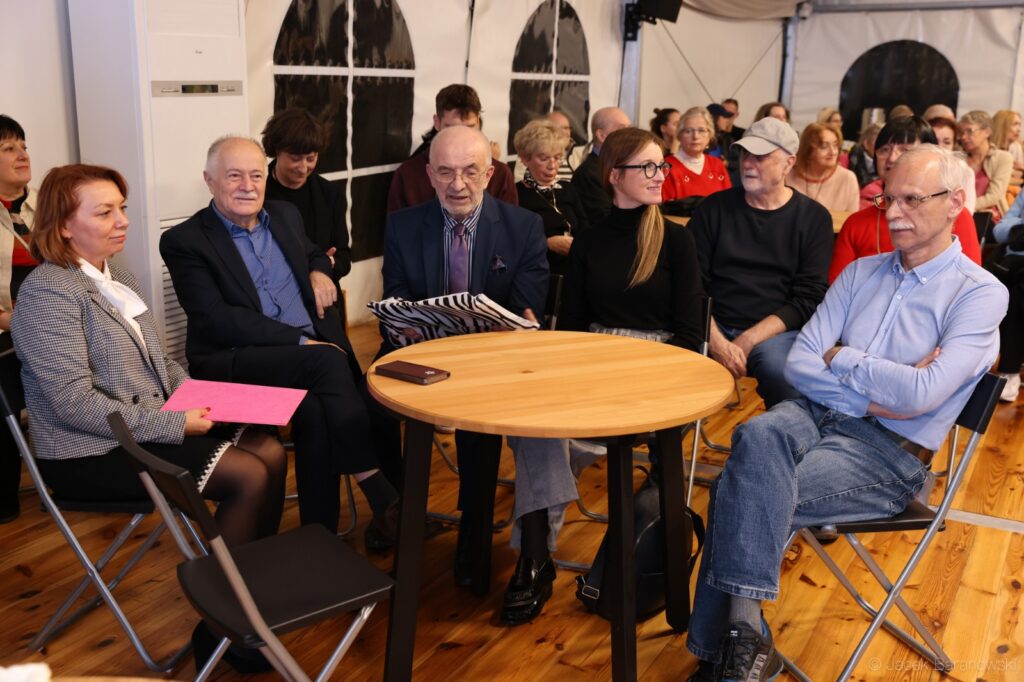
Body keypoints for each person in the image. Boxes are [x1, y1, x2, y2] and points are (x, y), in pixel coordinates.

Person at [685, 145, 1007, 682]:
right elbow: (800, 362)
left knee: (737, 487)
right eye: (887, 199)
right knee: (757, 436)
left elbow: (922, 394)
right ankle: (744, 641)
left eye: (911, 200)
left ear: (955, 203)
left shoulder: (979, 294)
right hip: (815, 412)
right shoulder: (861, 272)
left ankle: (726, 652)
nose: (893, 213)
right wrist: (877, 387)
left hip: (888, 453)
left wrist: (844, 358)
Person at [10, 163, 286, 546]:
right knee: (248, 474)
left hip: (141, 423)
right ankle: (231, 583)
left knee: (271, 451)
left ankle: (257, 569)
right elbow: (74, 404)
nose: (123, 220)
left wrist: (203, 398)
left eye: (122, 208)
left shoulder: (117, 275)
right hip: (87, 452)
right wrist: (174, 423)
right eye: (105, 212)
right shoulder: (48, 292)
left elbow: (161, 361)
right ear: (63, 226)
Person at [160, 136, 399, 543]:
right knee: (328, 362)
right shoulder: (185, 241)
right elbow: (216, 320)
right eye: (234, 176)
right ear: (209, 180)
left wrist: (319, 271)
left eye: (255, 176)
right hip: (237, 360)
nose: (247, 186)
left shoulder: (285, 215)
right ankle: (376, 487)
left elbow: (316, 253)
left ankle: (319, 537)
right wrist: (301, 344)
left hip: (309, 362)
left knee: (316, 411)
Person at [381, 126, 574, 624]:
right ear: (429, 174)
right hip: (427, 357)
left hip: (500, 363)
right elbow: (396, 296)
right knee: (362, 402)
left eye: (470, 171)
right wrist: (402, 323)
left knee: (535, 424)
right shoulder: (403, 226)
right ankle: (403, 519)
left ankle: (534, 554)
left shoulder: (522, 226)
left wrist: (513, 327)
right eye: (445, 172)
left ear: (490, 174)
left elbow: (526, 309)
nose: (458, 184)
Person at [689, 117, 833, 410]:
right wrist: (716, 341)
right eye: (745, 154)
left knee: (784, 374)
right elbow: (690, 283)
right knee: (669, 364)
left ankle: (785, 437)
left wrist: (748, 339)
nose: (748, 163)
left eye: (760, 156)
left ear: (789, 163)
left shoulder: (813, 218)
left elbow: (808, 298)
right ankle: (665, 440)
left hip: (775, 333)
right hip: (711, 323)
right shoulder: (713, 209)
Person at [562, 126, 702, 350]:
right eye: (648, 167)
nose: (660, 177)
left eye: (661, 166)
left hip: (661, 356)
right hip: (596, 353)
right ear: (615, 175)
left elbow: (690, 334)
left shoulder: (677, 240)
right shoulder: (587, 242)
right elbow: (570, 324)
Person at [831, 117, 982, 282]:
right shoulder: (856, 224)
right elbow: (838, 286)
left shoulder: (952, 214)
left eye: (905, 150)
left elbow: (969, 281)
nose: (892, 158)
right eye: (884, 149)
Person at [387, 83, 517, 213]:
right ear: (437, 122)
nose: (461, 137)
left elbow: (510, 223)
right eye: (452, 128)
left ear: (478, 122)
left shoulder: (500, 175)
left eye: (469, 127)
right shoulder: (407, 175)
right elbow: (399, 224)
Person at [261, 108, 352, 282]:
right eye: (295, 159)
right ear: (277, 151)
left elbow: (344, 257)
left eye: (311, 158)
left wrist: (329, 263)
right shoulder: (259, 195)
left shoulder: (329, 194)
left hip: (323, 291)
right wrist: (313, 265)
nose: (303, 168)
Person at [0, 114, 36, 523]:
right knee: (4, 390)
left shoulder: (48, 202)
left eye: (23, 146)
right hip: (5, 329)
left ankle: (77, 474)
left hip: (53, 322)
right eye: (8, 148)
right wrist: (7, 320)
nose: (22, 154)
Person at [513, 118, 589, 277]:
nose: (552, 165)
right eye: (544, 158)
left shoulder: (568, 188)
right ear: (525, 159)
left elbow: (585, 229)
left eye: (557, 157)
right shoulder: (517, 194)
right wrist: (547, 243)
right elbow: (512, 241)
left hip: (574, 271)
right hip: (537, 274)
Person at [988, 188, 1024, 401]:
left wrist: (1017, 227)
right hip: (1011, 264)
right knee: (990, 287)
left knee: (1019, 289)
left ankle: (1009, 371)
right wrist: (1019, 228)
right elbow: (999, 230)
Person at [572, 106, 631, 226]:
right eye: (622, 129)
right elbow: (605, 219)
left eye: (629, 129)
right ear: (602, 136)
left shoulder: (623, 166)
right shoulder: (588, 174)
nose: (629, 135)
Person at [662, 106, 731, 202]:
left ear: (710, 135)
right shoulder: (667, 167)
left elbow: (728, 203)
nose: (695, 136)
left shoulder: (717, 165)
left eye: (701, 130)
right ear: (679, 135)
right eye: (688, 131)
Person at [787, 123, 859, 212]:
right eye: (824, 146)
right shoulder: (788, 175)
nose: (833, 152)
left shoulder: (848, 178)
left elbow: (852, 218)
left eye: (835, 145)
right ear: (808, 150)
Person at [958, 110, 1013, 219]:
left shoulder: (1003, 158)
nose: (963, 137)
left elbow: (994, 196)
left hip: (990, 216)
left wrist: (966, 207)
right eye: (962, 132)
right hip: (961, 213)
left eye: (969, 131)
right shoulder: (958, 159)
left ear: (987, 132)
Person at [991, 109, 1024, 183]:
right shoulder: (988, 148)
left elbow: (1019, 175)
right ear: (1002, 125)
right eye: (1015, 124)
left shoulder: (1016, 148)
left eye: (1019, 125)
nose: (1019, 129)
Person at [847, 122, 882, 187]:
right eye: (878, 143)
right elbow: (860, 181)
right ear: (866, 144)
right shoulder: (856, 153)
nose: (881, 148)